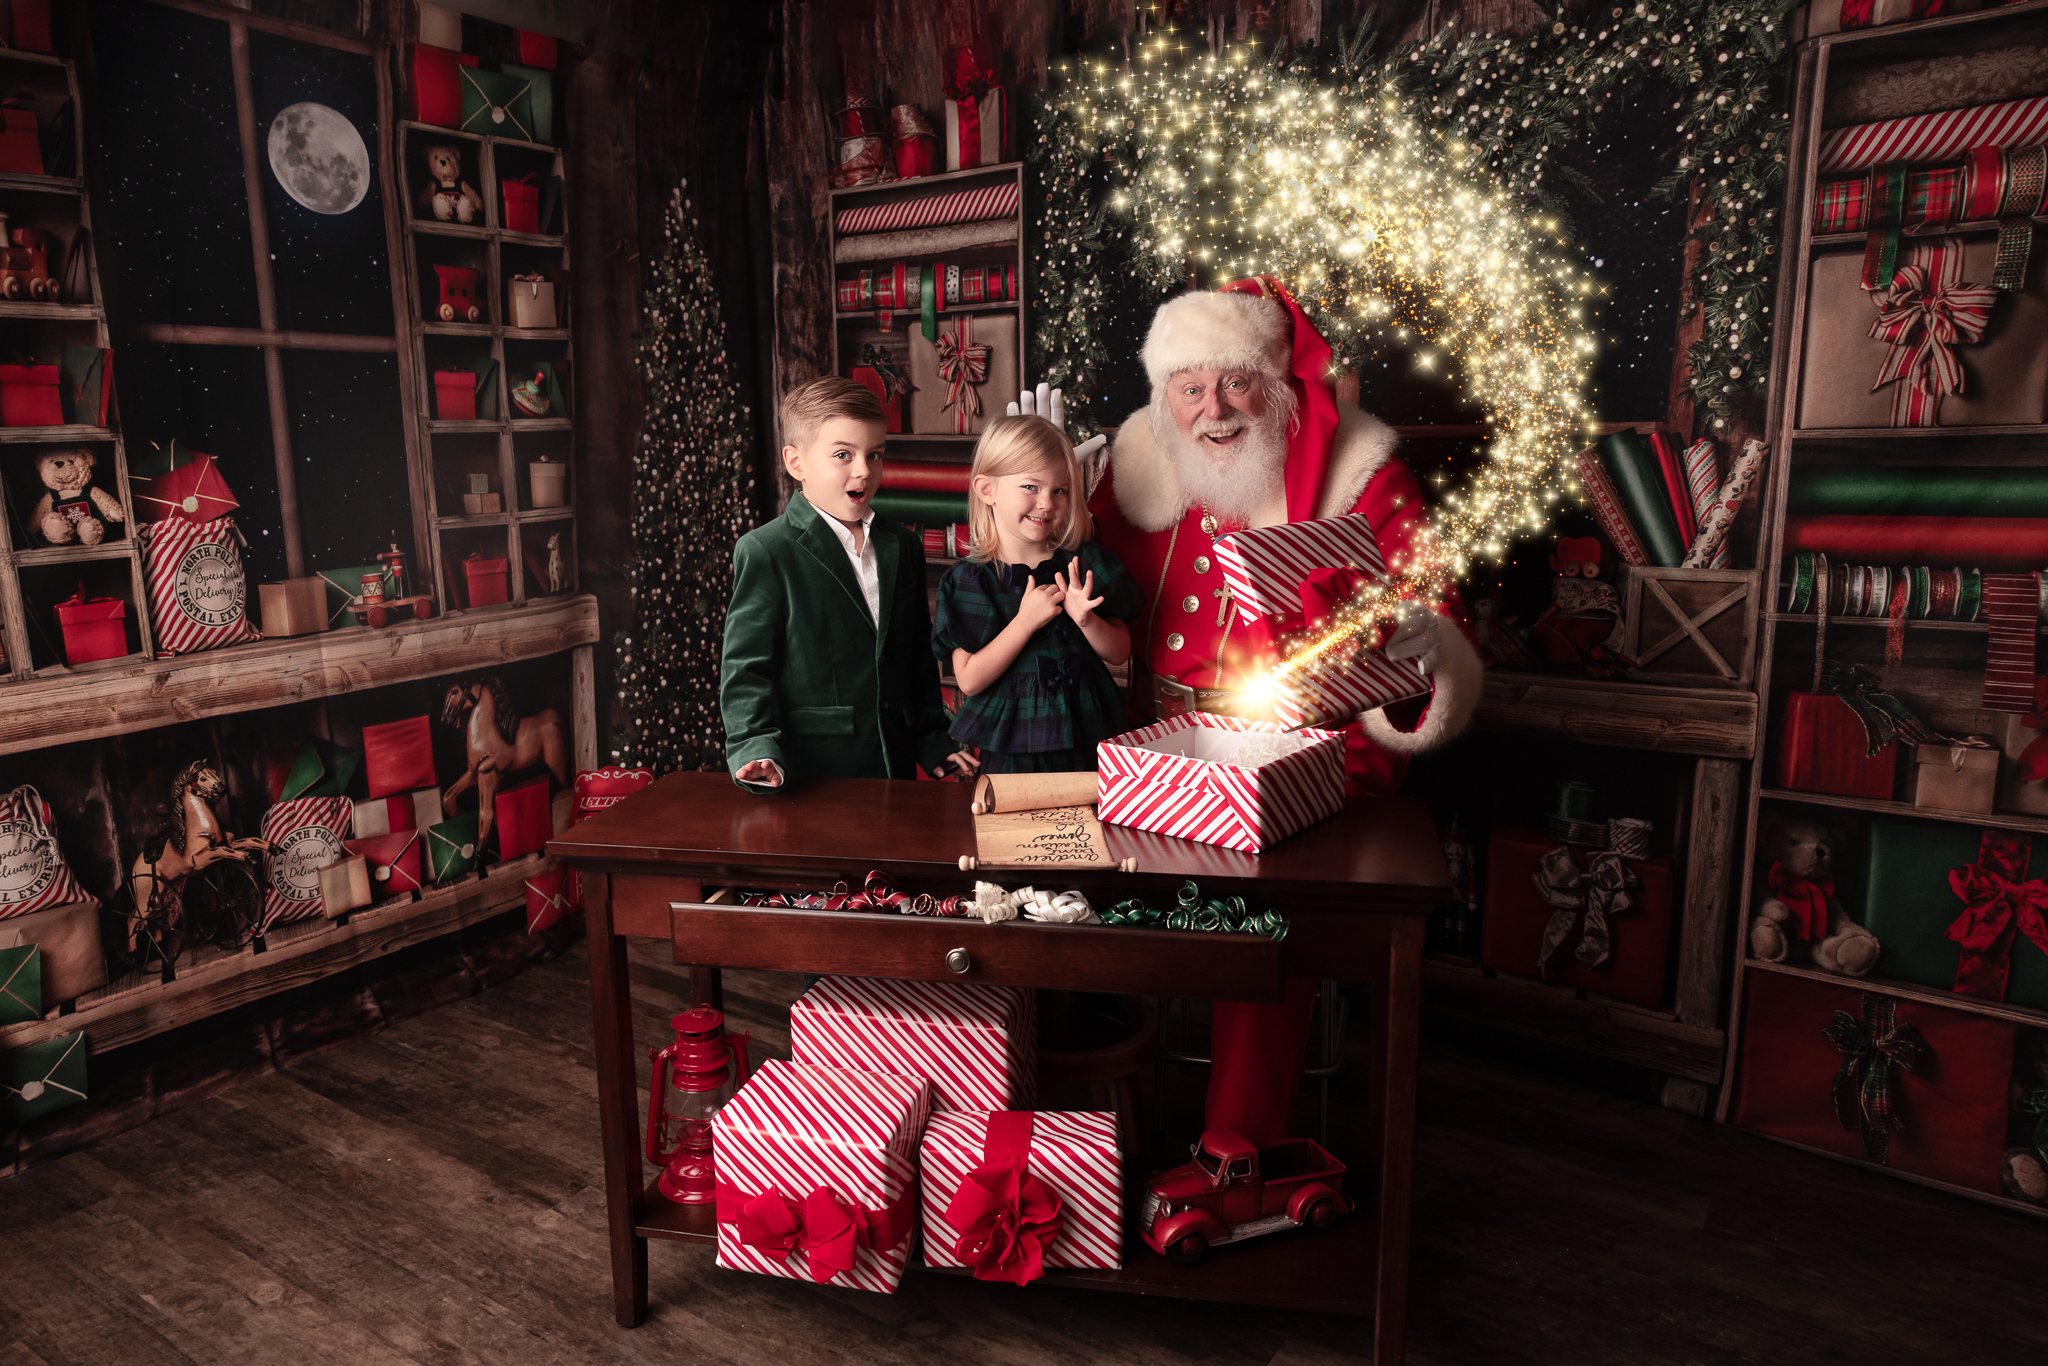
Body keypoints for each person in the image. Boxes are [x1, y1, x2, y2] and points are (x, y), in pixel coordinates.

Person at [1089, 277, 1483, 1147]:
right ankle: (1083, 1125)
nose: (1214, 409)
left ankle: (1237, 1149)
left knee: (1259, 918)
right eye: (1190, 388)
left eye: (1235, 382)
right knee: (1051, 892)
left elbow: (1434, 615)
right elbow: (1058, 576)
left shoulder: (1363, 479)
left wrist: (1417, 636)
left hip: (1303, 760)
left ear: (1275, 385)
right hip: (1147, 752)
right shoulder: (1133, 477)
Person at [720, 376, 979, 791]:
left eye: (874, 454)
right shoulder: (765, 551)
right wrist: (754, 747)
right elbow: (746, 671)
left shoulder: (903, 545)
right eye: (843, 454)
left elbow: (915, 658)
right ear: (796, 462)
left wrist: (932, 740)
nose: (864, 470)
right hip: (814, 772)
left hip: (894, 769)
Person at [933, 414, 1145, 774]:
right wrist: (1024, 622)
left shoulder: (1085, 562)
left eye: (1059, 490)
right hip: (1015, 745)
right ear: (988, 490)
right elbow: (969, 679)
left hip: (1087, 734)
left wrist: (1086, 620)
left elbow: (1120, 651)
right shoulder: (973, 580)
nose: (1047, 503)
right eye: (1031, 487)